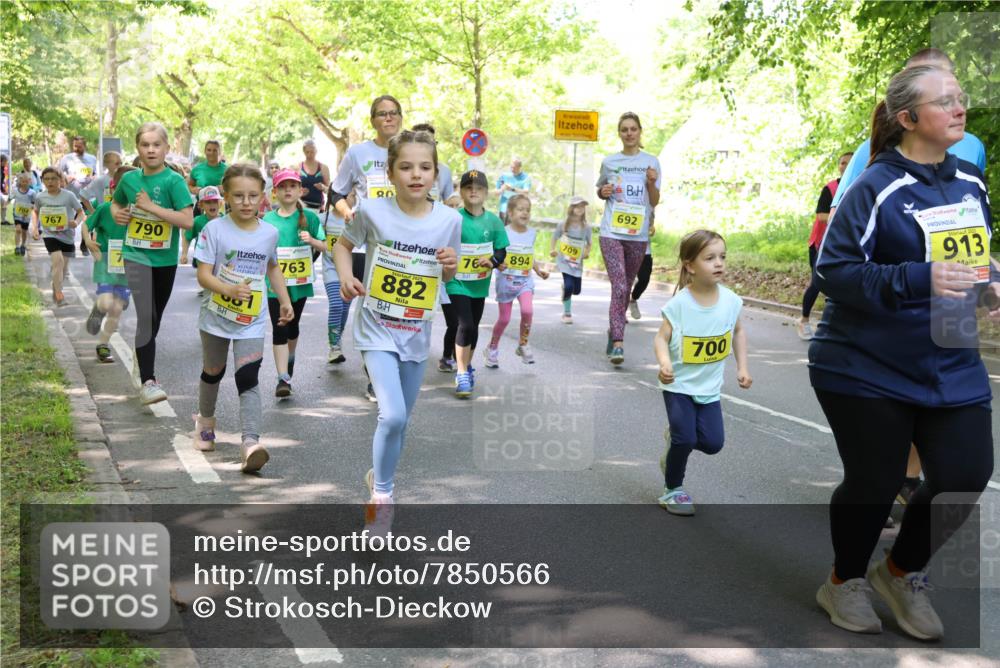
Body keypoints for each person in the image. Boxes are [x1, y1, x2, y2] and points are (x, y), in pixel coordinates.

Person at [810, 65, 995, 641]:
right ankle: (843, 581)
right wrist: (919, 277)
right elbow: (833, 271)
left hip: (950, 357)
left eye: (960, 98)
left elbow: (973, 258)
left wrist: (990, 285)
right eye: (945, 102)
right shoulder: (875, 186)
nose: (960, 108)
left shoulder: (971, 181)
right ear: (909, 118)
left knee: (965, 475)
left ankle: (899, 573)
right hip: (865, 364)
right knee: (876, 480)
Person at [332, 130, 460, 533]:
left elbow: (447, 273)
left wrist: (450, 264)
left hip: (416, 331)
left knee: (401, 422)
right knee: (392, 415)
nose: (416, 175)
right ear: (390, 173)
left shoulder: (450, 220)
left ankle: (379, 476)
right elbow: (342, 245)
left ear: (436, 174)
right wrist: (345, 277)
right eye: (406, 167)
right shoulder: (371, 211)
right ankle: (382, 497)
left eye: (425, 167)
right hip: (376, 326)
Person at [193, 163, 294, 473]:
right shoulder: (214, 230)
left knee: (248, 378)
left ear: (263, 196)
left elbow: (272, 267)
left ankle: (250, 443)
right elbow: (203, 275)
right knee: (213, 371)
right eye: (238, 196)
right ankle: (205, 423)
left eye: (253, 196)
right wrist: (228, 290)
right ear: (225, 196)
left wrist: (285, 301)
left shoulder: (270, 233)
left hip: (252, 320)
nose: (246, 202)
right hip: (216, 316)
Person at [653, 230, 751, 516]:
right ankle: (673, 489)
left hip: (709, 388)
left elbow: (738, 331)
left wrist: (742, 367)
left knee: (712, 443)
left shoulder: (731, 301)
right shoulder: (679, 304)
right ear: (690, 265)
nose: (718, 263)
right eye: (709, 258)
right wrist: (664, 363)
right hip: (679, 386)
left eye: (722, 257)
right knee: (685, 439)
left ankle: (674, 441)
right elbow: (661, 338)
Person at [829, 48, 987, 216]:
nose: (960, 110)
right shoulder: (870, 152)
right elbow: (839, 217)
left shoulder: (973, 150)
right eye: (921, 75)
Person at [111, 122, 194, 405]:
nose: (150, 150)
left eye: (156, 145)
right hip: (135, 255)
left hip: (165, 259)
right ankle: (148, 381)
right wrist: (118, 213)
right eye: (145, 145)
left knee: (154, 318)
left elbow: (187, 221)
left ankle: (141, 358)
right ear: (137, 148)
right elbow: (116, 203)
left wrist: (151, 207)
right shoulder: (129, 180)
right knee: (146, 315)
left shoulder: (174, 182)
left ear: (166, 148)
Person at [330, 94, 404, 399]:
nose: (388, 117)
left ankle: (390, 365)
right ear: (373, 120)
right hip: (365, 244)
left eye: (393, 112)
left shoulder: (410, 148)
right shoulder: (358, 153)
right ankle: (376, 374)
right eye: (382, 113)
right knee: (373, 309)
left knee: (397, 310)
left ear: (401, 117)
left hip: (402, 245)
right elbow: (336, 192)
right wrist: (347, 213)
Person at [596, 112, 661, 365]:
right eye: (624, 129)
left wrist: (651, 183)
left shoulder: (651, 162)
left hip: (637, 235)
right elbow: (601, 189)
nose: (629, 133)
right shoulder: (610, 162)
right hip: (611, 233)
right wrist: (603, 192)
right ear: (619, 133)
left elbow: (654, 201)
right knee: (620, 287)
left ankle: (613, 329)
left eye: (633, 129)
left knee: (626, 286)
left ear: (640, 131)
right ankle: (618, 343)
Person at [442, 170, 509, 398]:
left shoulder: (494, 221)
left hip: (479, 284)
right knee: (465, 324)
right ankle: (461, 373)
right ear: (461, 192)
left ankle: (467, 366)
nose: (473, 191)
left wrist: (493, 261)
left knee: (474, 326)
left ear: (486, 193)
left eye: (478, 188)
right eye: (468, 188)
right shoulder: (454, 218)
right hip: (456, 282)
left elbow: (501, 250)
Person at [262, 168, 325, 397]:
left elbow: (327, 246)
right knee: (280, 327)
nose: (287, 190)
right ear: (275, 192)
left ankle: (289, 361)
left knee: (293, 326)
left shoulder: (310, 218)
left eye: (292, 186)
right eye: (282, 187)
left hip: (299, 283)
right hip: (274, 285)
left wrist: (312, 240)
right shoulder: (267, 220)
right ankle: (283, 378)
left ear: (300, 190)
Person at [483, 193, 548, 367]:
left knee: (528, 311)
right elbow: (495, 255)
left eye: (528, 210)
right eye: (520, 209)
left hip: (525, 281)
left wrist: (538, 270)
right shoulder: (503, 233)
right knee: (504, 319)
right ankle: (492, 348)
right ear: (510, 213)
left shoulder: (532, 233)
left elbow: (529, 255)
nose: (525, 213)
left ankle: (523, 344)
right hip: (506, 282)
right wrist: (497, 264)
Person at [81, 165, 138, 362]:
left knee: (116, 309)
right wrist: (88, 241)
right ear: (114, 189)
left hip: (127, 268)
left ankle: (103, 345)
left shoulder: (139, 213)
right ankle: (98, 309)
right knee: (106, 303)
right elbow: (86, 225)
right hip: (105, 263)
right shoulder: (105, 209)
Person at [799, 152, 852, 340]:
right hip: (820, 244)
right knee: (817, 282)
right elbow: (821, 215)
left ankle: (836, 326)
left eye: (849, 162)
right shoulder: (830, 188)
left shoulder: (860, 185)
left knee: (843, 283)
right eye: (842, 163)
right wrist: (845, 216)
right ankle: (804, 320)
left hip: (845, 243)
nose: (845, 166)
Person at [31, 167, 83, 305]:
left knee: (63, 269)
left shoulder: (69, 196)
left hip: (67, 236)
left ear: (60, 180)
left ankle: (56, 285)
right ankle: (59, 294)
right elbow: (35, 211)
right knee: (58, 260)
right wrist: (35, 228)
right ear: (42, 181)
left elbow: (80, 212)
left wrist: (76, 222)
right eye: (46, 179)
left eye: (53, 179)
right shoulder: (40, 197)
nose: (50, 182)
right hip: (50, 235)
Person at [322, 191, 356, 364]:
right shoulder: (323, 219)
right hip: (331, 270)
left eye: (354, 195)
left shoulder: (357, 219)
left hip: (350, 270)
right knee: (336, 304)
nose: (353, 197)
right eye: (350, 194)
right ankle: (334, 346)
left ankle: (337, 339)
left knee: (344, 308)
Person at [549, 196, 592, 324]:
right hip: (564, 261)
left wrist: (586, 253)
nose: (580, 209)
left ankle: (566, 289)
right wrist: (552, 250)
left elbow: (589, 243)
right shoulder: (563, 224)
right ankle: (567, 313)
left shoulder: (586, 227)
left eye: (582, 207)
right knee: (569, 286)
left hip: (577, 262)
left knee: (576, 290)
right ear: (571, 208)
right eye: (577, 206)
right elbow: (554, 238)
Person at [180, 186, 224, 299]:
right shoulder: (198, 221)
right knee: (207, 277)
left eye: (215, 201)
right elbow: (187, 237)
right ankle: (208, 289)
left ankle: (216, 289)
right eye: (208, 202)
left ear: (220, 203)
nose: (212, 205)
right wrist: (184, 254)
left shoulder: (226, 221)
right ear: (201, 205)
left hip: (221, 257)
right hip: (203, 257)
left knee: (219, 276)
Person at [410, 123, 461, 207]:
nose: (429, 147)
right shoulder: (404, 169)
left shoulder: (444, 170)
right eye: (423, 143)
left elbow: (449, 202)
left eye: (432, 143)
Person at [629, 211, 656, 320]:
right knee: (625, 281)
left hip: (645, 251)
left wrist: (651, 227)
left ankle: (633, 299)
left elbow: (651, 222)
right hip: (627, 248)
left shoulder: (650, 205)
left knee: (644, 279)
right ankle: (620, 312)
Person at [299, 139, 331, 211]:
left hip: (318, 207)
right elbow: (292, 188)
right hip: (301, 206)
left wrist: (323, 187)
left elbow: (330, 190)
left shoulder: (323, 168)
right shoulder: (298, 167)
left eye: (312, 152)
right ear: (303, 151)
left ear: (316, 151)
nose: (310, 154)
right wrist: (300, 191)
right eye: (307, 152)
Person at [11, 173, 36, 255]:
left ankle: (23, 245)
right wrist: (5, 204)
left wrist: (32, 207)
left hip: (26, 215)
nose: (25, 183)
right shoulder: (15, 191)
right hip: (17, 213)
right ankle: (17, 247)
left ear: (29, 182)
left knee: (24, 231)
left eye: (26, 181)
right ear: (20, 182)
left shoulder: (32, 192)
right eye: (23, 181)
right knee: (18, 229)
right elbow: (10, 198)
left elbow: (34, 203)